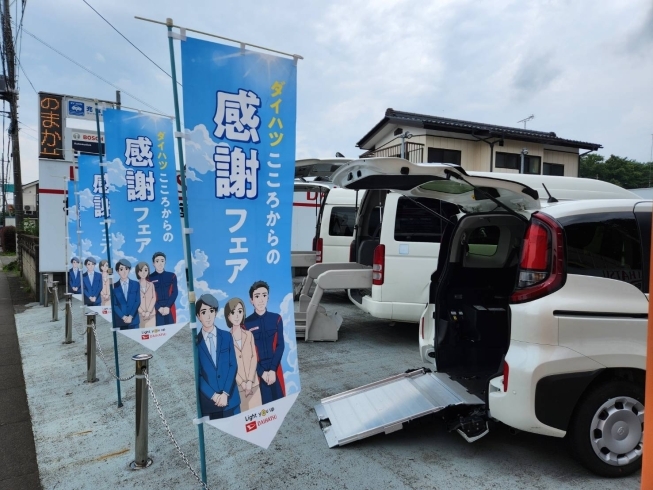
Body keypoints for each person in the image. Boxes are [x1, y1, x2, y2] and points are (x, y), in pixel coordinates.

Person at [195, 294, 240, 419]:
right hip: (209, 403)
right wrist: (214, 396)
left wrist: (225, 393)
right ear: (198, 316)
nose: (208, 316)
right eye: (204, 312)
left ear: (215, 312)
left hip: (231, 400)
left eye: (211, 310)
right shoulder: (196, 343)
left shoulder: (226, 336)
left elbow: (233, 365)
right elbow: (197, 374)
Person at [244, 281, 285, 404]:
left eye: (264, 295)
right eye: (257, 296)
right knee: (261, 408)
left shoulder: (276, 318)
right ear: (251, 300)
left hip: (275, 370)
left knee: (280, 404)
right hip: (258, 373)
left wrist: (272, 370)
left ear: (268, 297)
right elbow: (248, 353)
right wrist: (261, 372)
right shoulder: (246, 324)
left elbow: (280, 345)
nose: (261, 300)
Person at [224, 297, 262, 413]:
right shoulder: (225, 339)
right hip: (238, 387)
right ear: (228, 316)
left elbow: (253, 357)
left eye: (240, 311)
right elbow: (229, 365)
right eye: (233, 312)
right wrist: (243, 383)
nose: (237, 315)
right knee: (245, 418)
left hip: (254, 384)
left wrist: (250, 381)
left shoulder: (249, 334)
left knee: (259, 416)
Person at [149, 251, 178, 326]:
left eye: (162, 260)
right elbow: (149, 296)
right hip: (156, 309)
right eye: (157, 261)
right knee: (158, 333)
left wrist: (168, 306)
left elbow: (175, 292)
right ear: (153, 263)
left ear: (165, 262)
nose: (160, 263)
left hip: (169, 308)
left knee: (172, 331)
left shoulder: (172, 276)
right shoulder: (149, 278)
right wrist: (158, 308)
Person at [113, 258, 140, 329]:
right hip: (120, 321)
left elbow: (137, 301)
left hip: (134, 320)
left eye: (126, 269)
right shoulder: (114, 286)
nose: (124, 272)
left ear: (129, 270)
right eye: (121, 269)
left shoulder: (136, 284)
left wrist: (131, 316)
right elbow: (114, 305)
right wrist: (123, 316)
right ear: (118, 271)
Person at [135, 262, 156, 328]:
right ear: (138, 272)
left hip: (151, 314)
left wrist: (149, 311)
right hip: (140, 315)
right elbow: (134, 301)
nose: (143, 272)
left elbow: (154, 298)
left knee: (152, 333)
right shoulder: (134, 285)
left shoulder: (151, 284)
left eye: (146, 270)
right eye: (141, 270)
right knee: (143, 333)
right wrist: (142, 312)